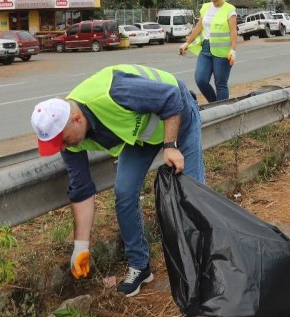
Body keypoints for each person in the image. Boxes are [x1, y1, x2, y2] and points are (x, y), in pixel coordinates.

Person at [30, 64, 204, 296]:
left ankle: (202, 264)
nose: (62, 147)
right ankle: (140, 266)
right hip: (142, 135)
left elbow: (170, 97)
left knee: (192, 195)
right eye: (55, 144)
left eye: (62, 140)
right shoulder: (68, 135)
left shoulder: (114, 93)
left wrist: (170, 146)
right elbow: (81, 190)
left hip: (177, 115)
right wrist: (81, 248)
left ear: (76, 119)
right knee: (124, 192)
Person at [180, 0, 238, 102]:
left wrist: (233, 50)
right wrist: (187, 42)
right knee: (200, 80)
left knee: (220, 83)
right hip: (206, 49)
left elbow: (233, 31)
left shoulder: (229, 9)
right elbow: (198, 27)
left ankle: (223, 111)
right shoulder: (206, 7)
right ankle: (214, 105)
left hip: (223, 52)